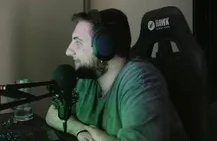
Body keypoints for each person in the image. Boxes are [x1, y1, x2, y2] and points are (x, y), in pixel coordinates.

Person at [47, 8, 189, 141]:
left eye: (78, 42)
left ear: (103, 47)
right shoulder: (89, 79)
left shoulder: (141, 81)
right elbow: (53, 113)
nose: (68, 51)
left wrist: (102, 137)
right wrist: (81, 130)